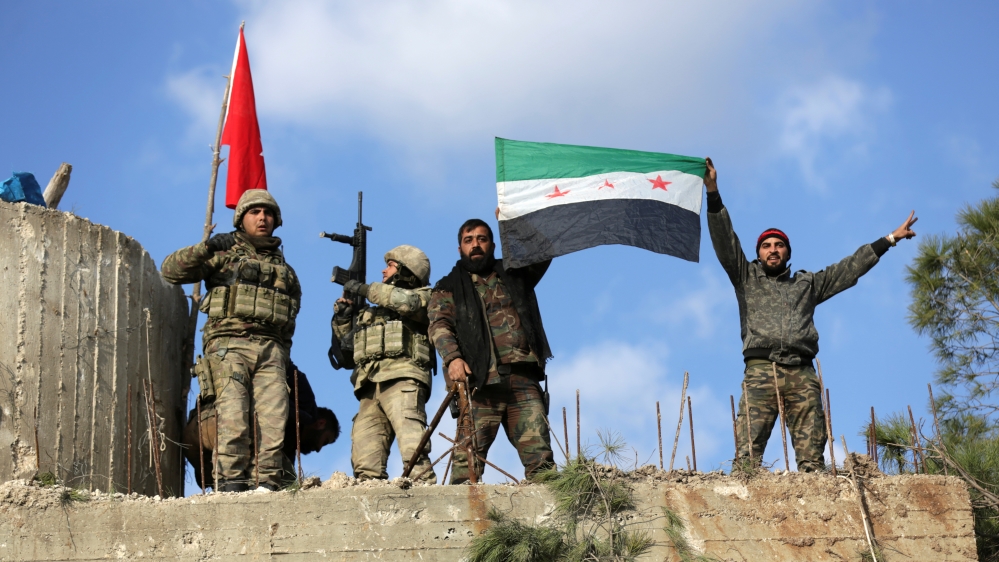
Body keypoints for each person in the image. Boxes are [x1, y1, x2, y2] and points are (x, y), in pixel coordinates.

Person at [703, 158, 918, 472]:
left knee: (812, 463)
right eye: (766, 246)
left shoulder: (807, 285)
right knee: (747, 457)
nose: (773, 250)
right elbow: (725, 241)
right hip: (762, 370)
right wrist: (712, 190)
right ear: (758, 253)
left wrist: (889, 240)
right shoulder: (746, 277)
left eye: (779, 245)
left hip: (802, 374)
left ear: (788, 253)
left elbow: (848, 269)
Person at [162, 189, 301, 492]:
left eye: (268, 213)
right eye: (254, 212)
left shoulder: (285, 271)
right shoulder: (223, 254)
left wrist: (280, 352)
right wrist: (207, 247)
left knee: (274, 419)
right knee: (234, 416)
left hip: (271, 351)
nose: (262, 218)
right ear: (241, 219)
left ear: (277, 221)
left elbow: (290, 316)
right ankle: (231, 483)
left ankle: (268, 483)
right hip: (229, 345)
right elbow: (171, 270)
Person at [428, 219, 555, 483]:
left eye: (482, 239)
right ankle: (464, 520)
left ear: (493, 244)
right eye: (468, 240)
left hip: (522, 380)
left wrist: (512, 221)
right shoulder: (447, 287)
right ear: (460, 248)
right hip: (480, 384)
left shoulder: (515, 274)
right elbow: (439, 325)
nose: (475, 245)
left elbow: (543, 248)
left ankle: (551, 520)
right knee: (467, 466)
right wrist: (453, 358)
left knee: (541, 462)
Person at [332, 245, 438, 482]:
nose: (383, 271)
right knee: (364, 461)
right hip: (369, 385)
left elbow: (407, 303)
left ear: (407, 271)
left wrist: (365, 289)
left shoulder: (425, 296)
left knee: (414, 449)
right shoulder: (372, 312)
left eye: (390, 266)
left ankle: (425, 491)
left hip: (403, 378)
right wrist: (343, 318)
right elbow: (347, 355)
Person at [182, 363, 340, 490]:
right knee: (283, 480)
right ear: (321, 424)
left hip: (196, 433)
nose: (318, 449)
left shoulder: (288, 451)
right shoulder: (306, 404)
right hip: (226, 424)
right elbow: (279, 363)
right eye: (325, 441)